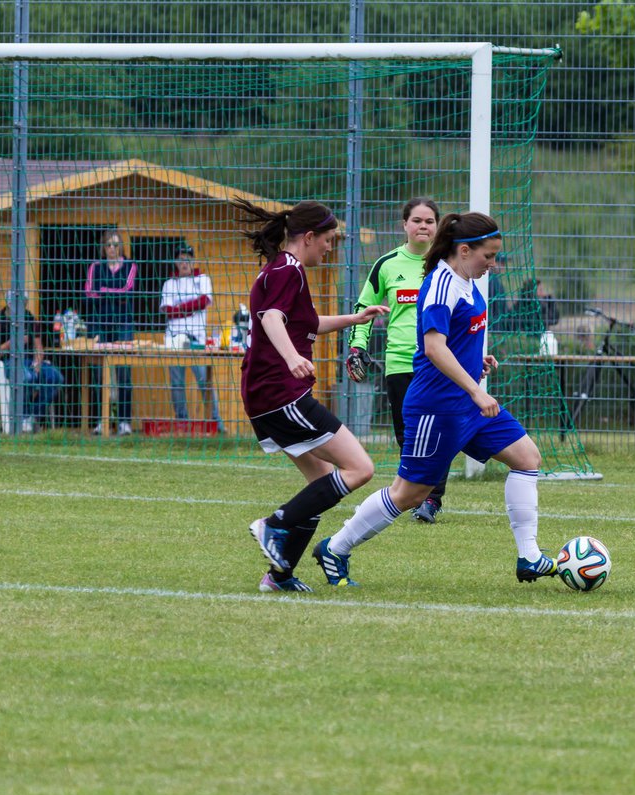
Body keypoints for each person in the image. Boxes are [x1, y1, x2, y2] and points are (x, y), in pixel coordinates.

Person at [313, 212, 559, 586]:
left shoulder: (468, 281)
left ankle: (529, 557)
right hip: (437, 408)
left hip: (467, 405)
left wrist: (478, 363)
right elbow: (432, 347)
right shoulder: (441, 284)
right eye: (487, 257)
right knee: (409, 494)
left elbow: (458, 339)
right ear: (463, 250)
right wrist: (476, 390)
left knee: (527, 458)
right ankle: (335, 548)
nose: (492, 265)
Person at [235, 198, 390, 593]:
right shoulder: (289, 270)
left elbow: (306, 323)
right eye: (328, 240)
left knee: (321, 482)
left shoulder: (284, 271)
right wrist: (291, 360)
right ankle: (274, 525)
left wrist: (355, 319)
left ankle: (279, 575)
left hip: (265, 395)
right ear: (308, 237)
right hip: (280, 393)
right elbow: (271, 319)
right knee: (360, 469)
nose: (329, 247)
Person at [345, 197, 449, 523]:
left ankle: (431, 499)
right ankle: (410, 493)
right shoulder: (386, 264)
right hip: (400, 364)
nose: (422, 226)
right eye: (416, 220)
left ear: (437, 227)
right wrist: (357, 347)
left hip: (438, 363)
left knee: (440, 432)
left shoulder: (446, 266)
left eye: (429, 221)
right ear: (404, 225)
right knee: (407, 434)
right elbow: (364, 309)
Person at [160, 243, 225, 432]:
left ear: (193, 260)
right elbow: (168, 311)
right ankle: (182, 422)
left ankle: (216, 423)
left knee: (205, 382)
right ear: (176, 262)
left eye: (188, 258)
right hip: (175, 339)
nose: (184, 262)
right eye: (181, 259)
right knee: (177, 384)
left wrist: (180, 307)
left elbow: (204, 301)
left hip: (197, 339)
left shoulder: (203, 279)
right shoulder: (169, 283)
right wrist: (191, 306)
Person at [84, 229, 137, 435]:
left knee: (124, 373)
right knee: (98, 375)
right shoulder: (95, 267)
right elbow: (89, 293)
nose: (112, 249)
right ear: (103, 248)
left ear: (121, 247)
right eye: (109, 245)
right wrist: (115, 293)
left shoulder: (131, 266)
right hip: (99, 324)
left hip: (123, 324)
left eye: (116, 245)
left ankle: (124, 421)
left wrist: (103, 291)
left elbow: (129, 290)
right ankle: (101, 421)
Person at [0, 301, 64, 433]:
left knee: (55, 377)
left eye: (23, 303)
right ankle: (24, 417)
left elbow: (39, 348)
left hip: (28, 361)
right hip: (5, 364)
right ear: (9, 303)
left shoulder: (29, 319)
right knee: (26, 376)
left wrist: (37, 362)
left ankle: (32, 416)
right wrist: (10, 343)